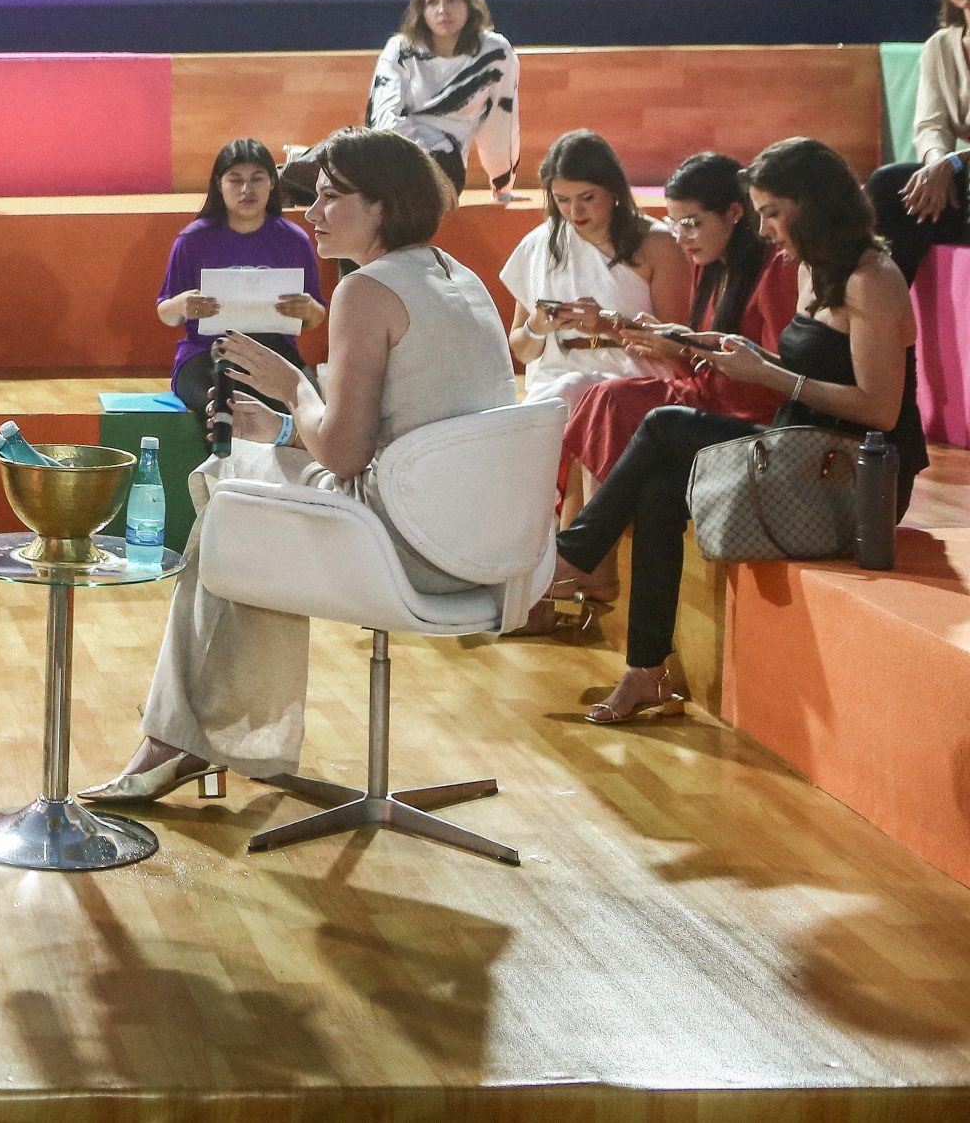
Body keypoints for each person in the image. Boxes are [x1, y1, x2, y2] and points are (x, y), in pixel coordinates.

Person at [84, 128, 517, 802]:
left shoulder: (366, 290)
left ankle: (184, 738)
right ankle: (205, 734)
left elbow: (344, 454)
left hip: (404, 547)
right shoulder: (460, 276)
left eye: (330, 196)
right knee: (246, 476)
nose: (311, 211)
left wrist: (292, 389)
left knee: (227, 492)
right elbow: (387, 435)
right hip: (485, 543)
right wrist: (286, 429)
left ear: (383, 205)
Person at [550, 138, 925, 724]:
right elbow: (803, 368)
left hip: (854, 478)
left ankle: (575, 555)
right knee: (660, 488)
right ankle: (646, 672)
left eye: (772, 213)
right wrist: (733, 351)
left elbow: (880, 411)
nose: (764, 229)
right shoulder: (813, 268)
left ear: (812, 204)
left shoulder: (872, 278)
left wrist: (768, 375)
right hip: (801, 450)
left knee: (663, 422)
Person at [512, 152, 796, 634]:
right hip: (704, 390)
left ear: (734, 213)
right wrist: (624, 328)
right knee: (598, 398)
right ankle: (587, 564)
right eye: (675, 223)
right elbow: (697, 356)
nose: (682, 236)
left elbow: (769, 373)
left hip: (744, 408)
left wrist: (675, 346)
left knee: (606, 398)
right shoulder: (713, 263)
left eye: (692, 223)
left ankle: (580, 561)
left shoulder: (771, 270)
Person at [500, 130, 690, 406]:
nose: (575, 212)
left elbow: (678, 347)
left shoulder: (656, 243)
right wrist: (537, 327)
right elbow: (523, 351)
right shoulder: (539, 244)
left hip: (634, 380)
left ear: (612, 189)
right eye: (562, 200)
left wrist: (608, 325)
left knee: (575, 391)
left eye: (587, 198)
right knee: (564, 392)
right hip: (555, 381)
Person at [156, 139, 325, 443]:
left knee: (306, 408)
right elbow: (166, 313)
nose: (247, 189)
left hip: (274, 351)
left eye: (257, 179)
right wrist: (182, 304)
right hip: (207, 353)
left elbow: (315, 317)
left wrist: (307, 308)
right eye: (235, 180)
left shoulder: (294, 240)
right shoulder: (193, 240)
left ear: (272, 183)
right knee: (221, 405)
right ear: (218, 185)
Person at [366, 0, 521, 200]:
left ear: (469, 2)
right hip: (395, 156)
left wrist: (502, 186)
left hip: (445, 163)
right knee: (335, 160)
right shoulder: (400, 49)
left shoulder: (494, 53)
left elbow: (500, 123)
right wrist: (407, 155)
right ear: (421, 10)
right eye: (432, 2)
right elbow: (382, 119)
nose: (442, 10)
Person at [865, 0, 969, 282]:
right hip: (961, 174)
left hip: (965, 169)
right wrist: (938, 163)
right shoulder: (939, 46)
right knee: (889, 185)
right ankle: (884, 303)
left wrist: (953, 163)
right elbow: (931, 125)